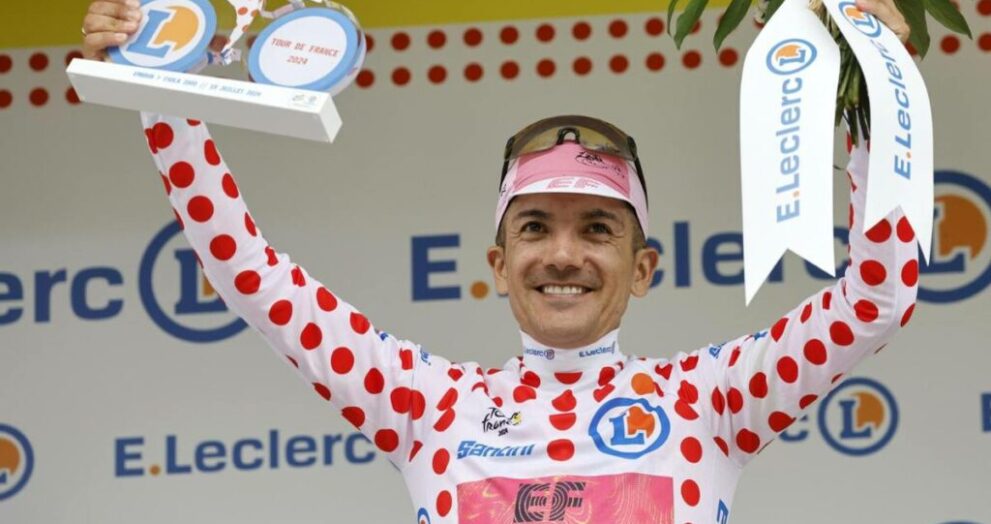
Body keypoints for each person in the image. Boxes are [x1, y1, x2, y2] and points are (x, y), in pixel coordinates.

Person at [82, 1, 917, 521]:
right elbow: (248, 272)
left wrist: (873, 92)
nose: (563, 254)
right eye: (534, 228)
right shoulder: (426, 404)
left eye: (598, 229)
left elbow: (873, 300)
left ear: (642, 268)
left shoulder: (710, 400)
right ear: (497, 261)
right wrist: (161, 86)